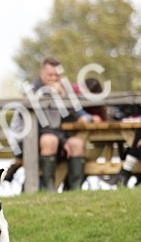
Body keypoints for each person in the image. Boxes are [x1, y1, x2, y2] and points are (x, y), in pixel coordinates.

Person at [11, 57, 94, 192]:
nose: (54, 78)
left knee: (77, 144)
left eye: (57, 75)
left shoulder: (63, 90)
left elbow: (78, 114)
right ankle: (48, 189)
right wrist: (63, 140)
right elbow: (40, 127)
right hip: (27, 141)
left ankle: (74, 191)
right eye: (50, 75)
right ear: (41, 74)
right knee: (50, 140)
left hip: (56, 137)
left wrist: (65, 97)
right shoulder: (32, 91)